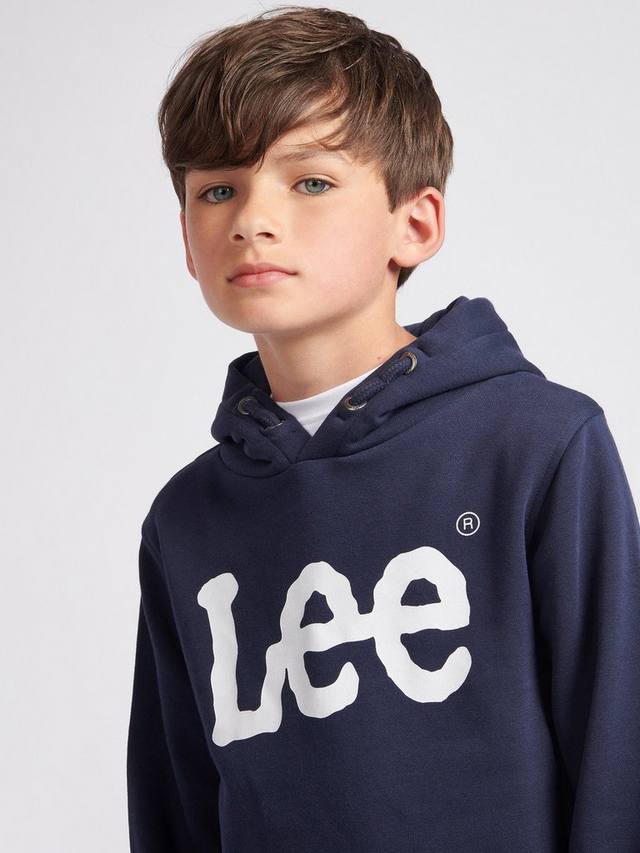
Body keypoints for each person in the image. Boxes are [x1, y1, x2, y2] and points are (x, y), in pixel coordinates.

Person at [126, 6, 640, 852]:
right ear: (188, 239)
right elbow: (177, 803)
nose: (252, 218)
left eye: (310, 182)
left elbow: (617, 753)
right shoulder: (184, 520)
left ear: (417, 223)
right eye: (217, 189)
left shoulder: (538, 444)